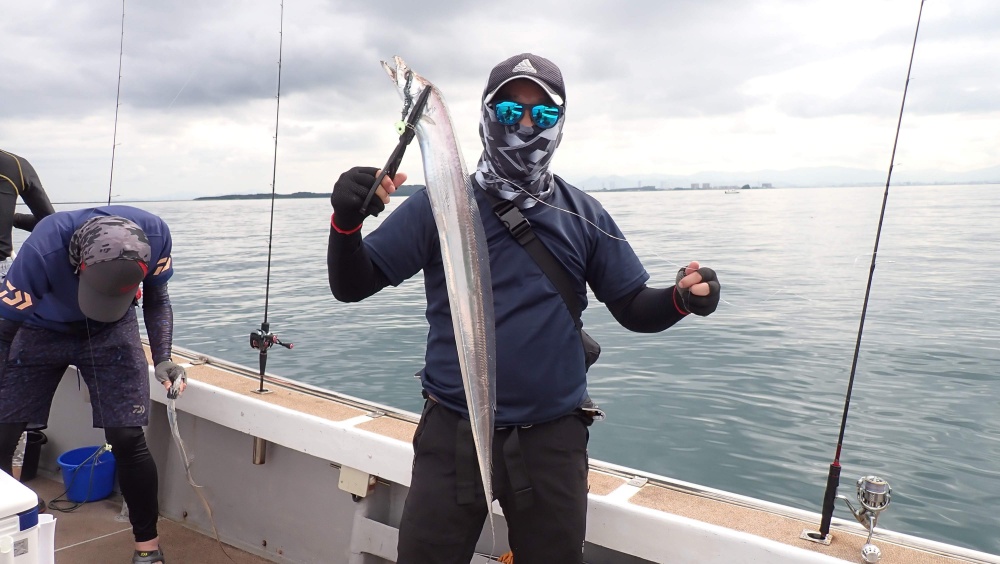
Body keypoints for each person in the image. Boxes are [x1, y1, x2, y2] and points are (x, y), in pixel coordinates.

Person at [327, 53, 721, 564]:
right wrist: (345, 223)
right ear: (486, 116)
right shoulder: (441, 205)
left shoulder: (584, 215)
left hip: (551, 442)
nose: (528, 124)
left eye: (545, 113)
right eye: (510, 111)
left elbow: (633, 306)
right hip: (453, 433)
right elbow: (352, 284)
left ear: (562, 121)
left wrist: (682, 299)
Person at [0, 206, 188, 564]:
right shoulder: (43, 249)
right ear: (79, 264)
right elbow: (4, 330)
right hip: (39, 328)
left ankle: (148, 549)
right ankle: (8, 524)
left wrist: (163, 357)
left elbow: (158, 299)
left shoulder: (156, 234)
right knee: (2, 431)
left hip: (112, 330)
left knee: (127, 437)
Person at [0, 149, 57, 271]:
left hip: (5, 172)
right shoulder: (16, 162)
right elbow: (50, 224)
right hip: (23, 165)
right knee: (51, 225)